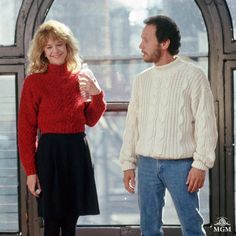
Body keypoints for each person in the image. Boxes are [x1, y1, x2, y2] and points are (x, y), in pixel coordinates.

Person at [119, 15, 217, 236]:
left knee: (192, 228)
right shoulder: (141, 80)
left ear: (164, 44)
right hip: (145, 165)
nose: (140, 45)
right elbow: (132, 124)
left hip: (182, 166)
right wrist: (128, 163)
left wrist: (200, 164)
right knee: (149, 229)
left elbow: (206, 122)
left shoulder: (193, 75)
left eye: (146, 40)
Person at [18, 20, 106, 236]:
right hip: (49, 154)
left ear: (68, 46)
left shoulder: (81, 78)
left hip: (76, 152)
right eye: (49, 47)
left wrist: (97, 93)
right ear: (42, 52)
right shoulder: (34, 82)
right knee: (51, 221)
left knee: (70, 222)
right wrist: (31, 172)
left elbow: (92, 119)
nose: (55, 51)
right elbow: (26, 130)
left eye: (59, 44)